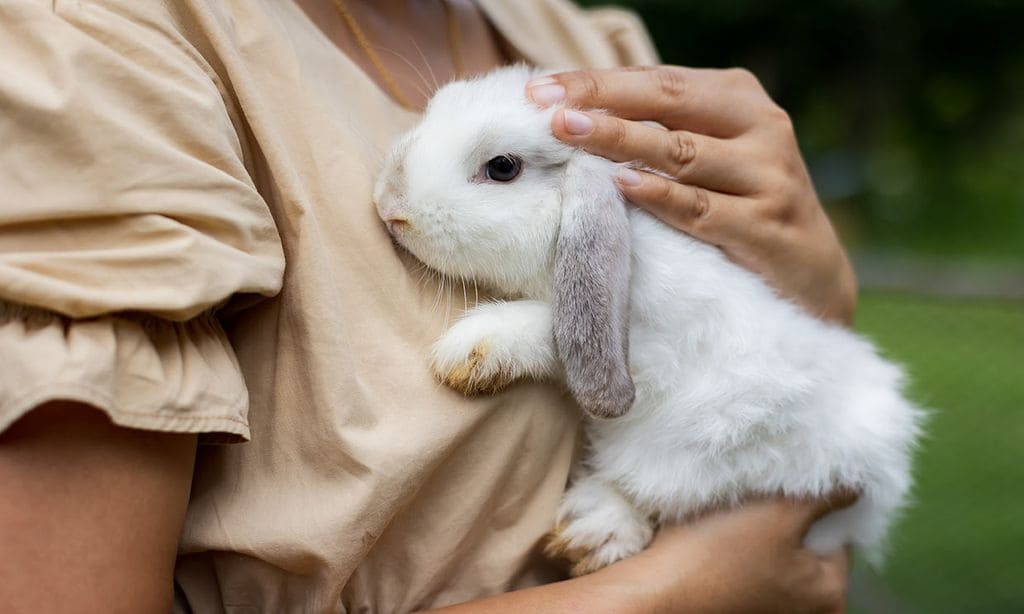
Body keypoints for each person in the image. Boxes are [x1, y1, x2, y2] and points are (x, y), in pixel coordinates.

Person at [0, 0, 856, 612]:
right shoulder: (95, 48)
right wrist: (675, 592)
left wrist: (816, 297)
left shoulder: (578, 39)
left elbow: (801, 455)